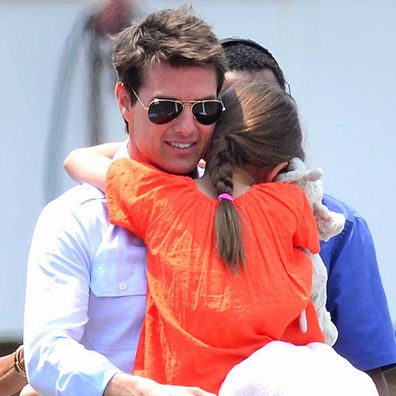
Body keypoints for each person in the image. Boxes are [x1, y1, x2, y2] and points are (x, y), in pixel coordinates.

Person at [64, 81, 378, 395]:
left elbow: (77, 160)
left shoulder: (158, 198)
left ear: (212, 141)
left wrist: (189, 150)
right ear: (280, 168)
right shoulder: (290, 203)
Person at [23, 8, 226, 396]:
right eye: (165, 108)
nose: (186, 128)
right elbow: (47, 353)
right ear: (123, 101)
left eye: (205, 110)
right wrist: (135, 390)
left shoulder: (232, 208)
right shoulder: (75, 218)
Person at [219, 37, 396, 394]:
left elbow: (376, 373)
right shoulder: (176, 209)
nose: (255, 125)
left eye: (270, 108)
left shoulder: (336, 224)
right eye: (237, 112)